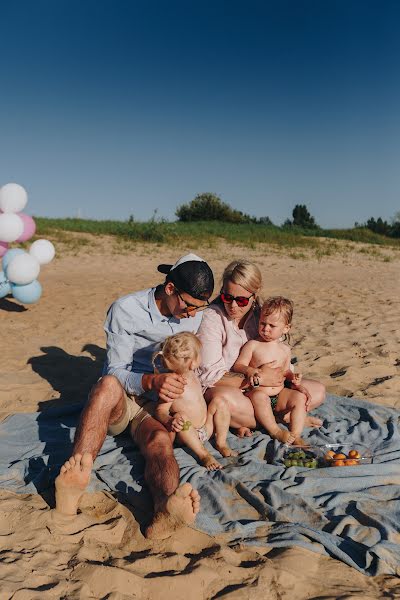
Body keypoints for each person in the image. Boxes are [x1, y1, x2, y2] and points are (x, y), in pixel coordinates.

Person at [54, 253, 214, 540]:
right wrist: (152, 380)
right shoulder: (126, 309)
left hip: (154, 407)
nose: (193, 314)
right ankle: (75, 481)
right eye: (189, 306)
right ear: (169, 289)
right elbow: (116, 371)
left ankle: (165, 509)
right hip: (122, 398)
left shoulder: (194, 311)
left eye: (199, 308)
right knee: (105, 385)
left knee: (161, 442)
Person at [197, 260, 325, 437]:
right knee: (221, 399)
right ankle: (282, 419)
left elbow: (277, 355)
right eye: (227, 297)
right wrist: (259, 377)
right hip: (232, 389)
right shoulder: (212, 318)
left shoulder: (263, 316)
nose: (233, 306)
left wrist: (291, 380)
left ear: (255, 294)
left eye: (241, 300)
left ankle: (261, 419)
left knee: (317, 391)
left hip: (267, 391)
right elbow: (210, 375)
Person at [233, 296, 316, 445]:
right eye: (263, 323)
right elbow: (238, 365)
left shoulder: (285, 350)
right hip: (258, 393)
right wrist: (251, 371)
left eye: (272, 325)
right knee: (259, 397)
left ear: (286, 328)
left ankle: (295, 435)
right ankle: (275, 431)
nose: (265, 329)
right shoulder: (253, 345)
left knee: (299, 398)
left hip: (279, 394)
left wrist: (293, 377)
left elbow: (284, 372)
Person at [153, 332, 237, 471]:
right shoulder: (174, 384)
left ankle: (221, 443)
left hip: (206, 427)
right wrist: (169, 420)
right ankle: (203, 455)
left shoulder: (192, 374)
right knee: (181, 417)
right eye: (200, 353)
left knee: (219, 401)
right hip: (188, 433)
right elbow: (160, 410)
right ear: (193, 363)